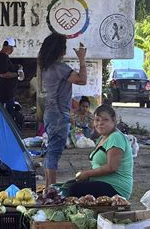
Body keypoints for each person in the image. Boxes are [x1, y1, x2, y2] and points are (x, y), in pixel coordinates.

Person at [38, 33, 88, 187]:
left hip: (50, 113)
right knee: (54, 152)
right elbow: (82, 80)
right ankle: (51, 190)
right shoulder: (60, 68)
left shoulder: (46, 67)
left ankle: (48, 188)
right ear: (60, 50)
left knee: (51, 151)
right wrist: (82, 59)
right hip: (59, 115)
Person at [68, 104, 133, 199]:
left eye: (105, 120)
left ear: (114, 120)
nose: (100, 123)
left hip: (116, 187)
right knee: (68, 185)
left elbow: (112, 167)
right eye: (97, 120)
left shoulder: (116, 137)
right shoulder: (102, 138)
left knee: (74, 189)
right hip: (102, 183)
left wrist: (87, 174)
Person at [0, 37, 21, 118]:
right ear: (8, 47)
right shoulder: (2, 57)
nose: (12, 50)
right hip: (4, 94)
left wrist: (16, 66)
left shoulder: (2, 56)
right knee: (7, 116)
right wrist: (17, 74)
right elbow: (3, 74)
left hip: (6, 93)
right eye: (12, 47)